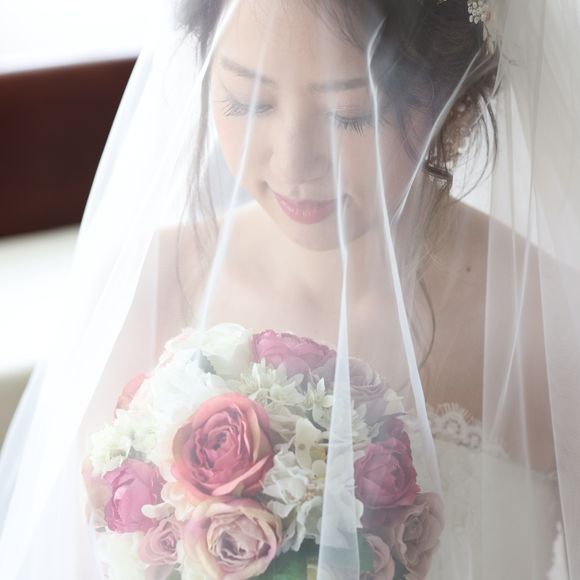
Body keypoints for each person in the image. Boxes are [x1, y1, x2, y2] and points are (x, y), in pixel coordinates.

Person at [0, 0, 578, 578]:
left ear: (458, 104)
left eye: (350, 114)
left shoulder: (550, 321)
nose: (295, 163)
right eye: (249, 101)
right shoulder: (143, 289)